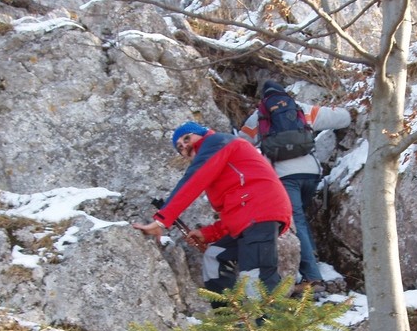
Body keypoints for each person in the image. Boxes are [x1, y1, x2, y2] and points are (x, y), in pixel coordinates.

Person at [134, 121, 292, 298]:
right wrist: (208, 234)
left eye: (187, 138)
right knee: (215, 256)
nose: (184, 146)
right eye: (179, 147)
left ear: (203, 134)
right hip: (252, 214)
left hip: (260, 213)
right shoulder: (223, 161)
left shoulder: (217, 141)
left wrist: (162, 220)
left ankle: (268, 324)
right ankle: (230, 320)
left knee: (256, 278)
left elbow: (193, 180)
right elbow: (237, 210)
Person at [239, 80, 351, 295]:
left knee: (296, 220)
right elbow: (344, 118)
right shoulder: (301, 109)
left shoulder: (259, 117)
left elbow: (241, 144)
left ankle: (313, 277)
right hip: (311, 172)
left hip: (283, 175)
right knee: (301, 217)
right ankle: (312, 255)